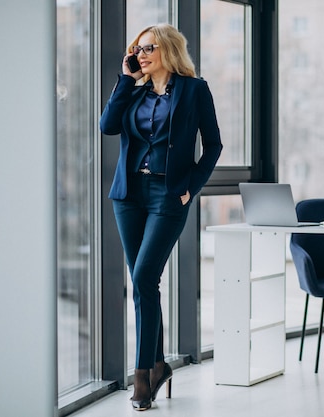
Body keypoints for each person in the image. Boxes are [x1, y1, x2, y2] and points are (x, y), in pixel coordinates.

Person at [100, 23, 222, 411]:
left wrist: (192, 186)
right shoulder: (133, 92)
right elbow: (107, 127)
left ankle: (141, 379)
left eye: (148, 48)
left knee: (142, 278)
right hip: (129, 195)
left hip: (169, 196)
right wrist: (125, 80)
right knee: (144, 285)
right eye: (137, 49)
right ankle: (158, 366)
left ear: (168, 49)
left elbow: (214, 144)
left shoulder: (194, 90)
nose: (141, 54)